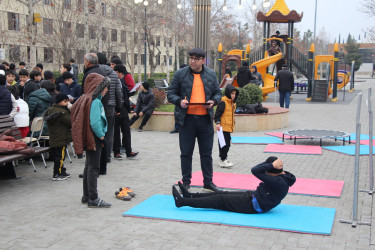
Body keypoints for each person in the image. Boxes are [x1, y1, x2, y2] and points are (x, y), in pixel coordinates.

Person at [167, 47, 222, 192]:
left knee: (206, 153)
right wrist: (179, 101)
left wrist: (214, 102)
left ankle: (208, 182)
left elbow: (218, 93)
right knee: (186, 153)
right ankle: (186, 182)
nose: (192, 61)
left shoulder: (211, 74)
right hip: (187, 120)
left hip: (205, 120)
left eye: (196, 59)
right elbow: (171, 93)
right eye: (191, 58)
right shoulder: (180, 74)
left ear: (203, 60)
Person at [172, 156, 296, 214]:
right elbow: (259, 169)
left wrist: (270, 166)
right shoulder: (281, 176)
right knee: (221, 193)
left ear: (272, 172)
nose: (266, 174)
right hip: (253, 196)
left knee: (219, 200)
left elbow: (255, 170)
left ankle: (182, 202)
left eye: (268, 172)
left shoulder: (279, 183)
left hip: (253, 206)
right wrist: (271, 165)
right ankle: (190, 195)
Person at [71, 73, 111, 208]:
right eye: (105, 87)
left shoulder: (86, 98)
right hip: (94, 138)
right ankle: (93, 198)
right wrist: (101, 136)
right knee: (94, 168)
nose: (106, 90)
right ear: (97, 87)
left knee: (88, 166)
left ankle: (86, 195)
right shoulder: (96, 101)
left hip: (88, 136)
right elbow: (95, 123)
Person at [44, 93, 72, 181]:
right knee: (60, 157)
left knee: (58, 156)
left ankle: (62, 170)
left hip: (54, 136)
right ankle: (57, 173)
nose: (67, 103)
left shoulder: (51, 109)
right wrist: (71, 111)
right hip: (61, 137)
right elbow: (71, 122)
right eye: (65, 101)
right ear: (59, 102)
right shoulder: (62, 112)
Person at [113, 64, 139, 159]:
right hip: (116, 110)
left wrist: (135, 90)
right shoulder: (112, 82)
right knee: (116, 132)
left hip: (124, 109)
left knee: (126, 131)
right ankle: (117, 151)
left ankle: (129, 151)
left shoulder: (122, 82)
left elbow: (127, 93)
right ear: (117, 73)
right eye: (121, 74)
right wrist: (116, 109)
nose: (123, 76)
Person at [214, 85, 239, 168]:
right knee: (223, 144)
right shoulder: (223, 102)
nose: (233, 95)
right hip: (222, 127)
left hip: (228, 127)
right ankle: (223, 160)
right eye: (232, 93)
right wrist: (217, 123)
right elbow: (217, 114)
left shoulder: (232, 103)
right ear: (228, 93)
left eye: (235, 94)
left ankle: (223, 159)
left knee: (227, 144)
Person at [169, 63, 188, 134]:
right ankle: (177, 127)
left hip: (185, 98)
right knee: (177, 113)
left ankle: (180, 127)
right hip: (179, 99)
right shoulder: (179, 76)